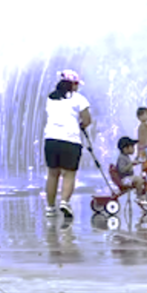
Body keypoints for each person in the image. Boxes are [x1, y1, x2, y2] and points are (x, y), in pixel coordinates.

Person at [42, 70, 92, 219]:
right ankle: (64, 201)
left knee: (52, 174)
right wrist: (81, 125)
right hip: (70, 140)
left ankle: (50, 207)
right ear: (73, 84)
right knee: (69, 174)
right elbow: (87, 120)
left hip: (51, 139)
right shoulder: (79, 99)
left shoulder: (51, 98)